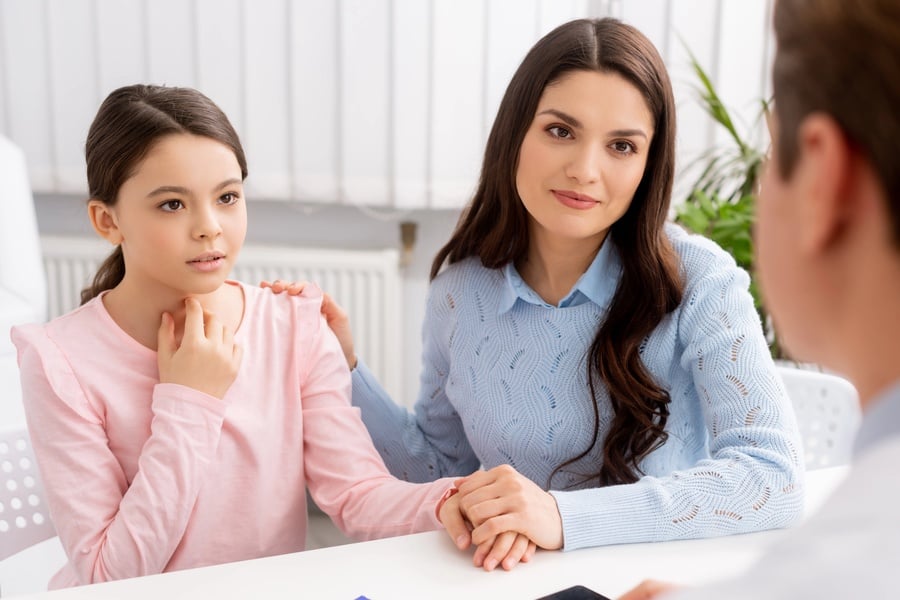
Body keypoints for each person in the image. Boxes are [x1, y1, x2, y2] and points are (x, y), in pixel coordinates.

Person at [268, 17, 805, 572]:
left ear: (648, 165)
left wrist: (564, 518)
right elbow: (436, 468)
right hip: (511, 581)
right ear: (515, 134)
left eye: (622, 145)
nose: (585, 170)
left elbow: (773, 475)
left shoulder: (698, 280)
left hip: (656, 581)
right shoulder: (459, 291)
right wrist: (345, 366)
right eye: (560, 131)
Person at [9, 84, 483, 589]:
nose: (210, 227)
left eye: (228, 197)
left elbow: (358, 495)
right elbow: (108, 575)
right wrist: (188, 402)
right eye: (172, 204)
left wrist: (456, 499)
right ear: (108, 221)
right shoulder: (59, 361)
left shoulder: (294, 326)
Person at [619, 0, 900, 598]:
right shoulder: (465, 281)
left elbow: (770, 475)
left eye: (771, 157)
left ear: (823, 181)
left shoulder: (698, 273)